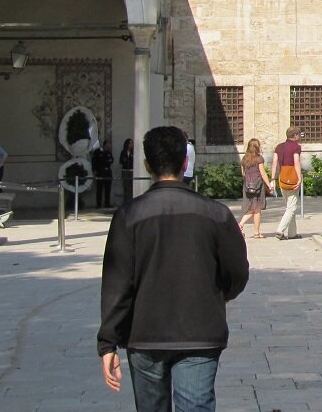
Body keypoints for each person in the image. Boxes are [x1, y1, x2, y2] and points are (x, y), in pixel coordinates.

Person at [97, 125, 249, 412]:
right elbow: (238, 272)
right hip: (200, 329)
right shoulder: (215, 214)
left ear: (146, 165)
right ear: (185, 163)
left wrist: (108, 342)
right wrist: (216, 294)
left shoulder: (128, 216)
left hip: (145, 333)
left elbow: (117, 284)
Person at [270, 127, 303, 241]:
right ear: (295, 136)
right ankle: (280, 230)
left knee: (289, 206)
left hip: (282, 177)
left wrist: (273, 178)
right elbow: (296, 162)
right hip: (292, 177)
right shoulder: (296, 147)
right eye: (299, 134)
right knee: (292, 207)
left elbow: (274, 162)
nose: (299, 136)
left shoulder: (279, 147)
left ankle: (293, 233)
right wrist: (299, 178)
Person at [238, 138, 273, 239]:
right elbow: (263, 174)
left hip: (247, 187)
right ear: (257, 147)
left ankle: (255, 232)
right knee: (257, 209)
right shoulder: (259, 159)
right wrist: (269, 186)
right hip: (258, 187)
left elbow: (243, 173)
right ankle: (245, 227)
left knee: (253, 208)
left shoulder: (244, 159)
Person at [92, 141, 115, 208]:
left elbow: (111, 160)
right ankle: (98, 204)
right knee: (99, 189)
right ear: (104, 145)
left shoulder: (108, 152)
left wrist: (107, 160)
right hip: (100, 172)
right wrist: (94, 170)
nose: (108, 147)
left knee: (108, 189)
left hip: (107, 172)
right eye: (107, 146)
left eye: (109, 146)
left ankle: (107, 204)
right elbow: (94, 161)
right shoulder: (97, 152)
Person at [119, 138, 135, 203]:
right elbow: (121, 160)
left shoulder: (134, 152)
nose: (131, 144)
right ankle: (126, 201)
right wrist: (125, 161)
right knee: (126, 187)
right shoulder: (123, 152)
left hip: (132, 170)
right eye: (130, 143)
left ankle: (131, 201)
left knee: (131, 187)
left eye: (132, 143)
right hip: (125, 170)